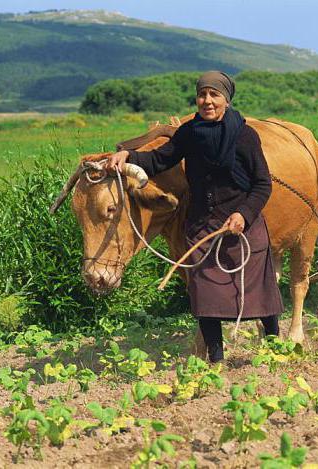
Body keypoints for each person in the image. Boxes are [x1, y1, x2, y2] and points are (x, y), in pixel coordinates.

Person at [105, 71, 283, 362]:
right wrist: (129, 156)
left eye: (214, 95)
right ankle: (216, 359)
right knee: (205, 293)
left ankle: (276, 346)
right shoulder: (189, 133)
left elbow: (262, 184)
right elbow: (160, 159)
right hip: (203, 225)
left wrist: (243, 214)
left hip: (241, 225)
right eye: (202, 94)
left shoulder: (244, 136)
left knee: (258, 291)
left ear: (226, 99)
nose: (207, 101)